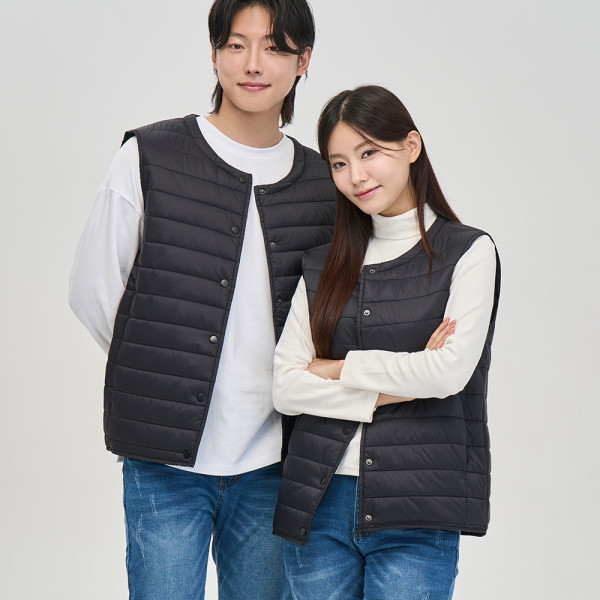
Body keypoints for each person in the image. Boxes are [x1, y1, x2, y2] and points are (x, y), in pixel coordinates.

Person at [68, 1, 336, 598]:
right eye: (236, 44)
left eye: (274, 47)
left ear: (303, 62)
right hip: (165, 460)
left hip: (277, 462)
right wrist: (164, 367)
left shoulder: (324, 185)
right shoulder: (150, 155)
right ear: (214, 54)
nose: (253, 63)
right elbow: (93, 289)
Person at [271, 85, 501, 600]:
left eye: (369, 152)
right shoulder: (323, 263)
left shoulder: (468, 252)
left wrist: (334, 368)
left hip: (417, 505)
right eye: (339, 163)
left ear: (411, 146)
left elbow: (448, 373)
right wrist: (407, 378)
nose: (355, 176)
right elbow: (285, 388)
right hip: (317, 500)